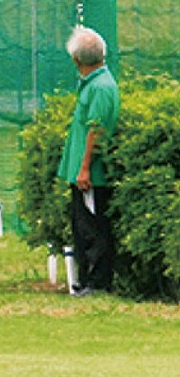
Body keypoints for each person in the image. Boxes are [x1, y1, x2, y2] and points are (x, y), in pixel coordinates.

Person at [57, 26, 120, 297]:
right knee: (82, 227)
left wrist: (84, 168)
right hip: (80, 172)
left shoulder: (101, 87)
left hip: (91, 175)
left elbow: (97, 130)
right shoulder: (93, 84)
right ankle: (85, 282)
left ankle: (98, 284)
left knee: (94, 228)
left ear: (76, 60)